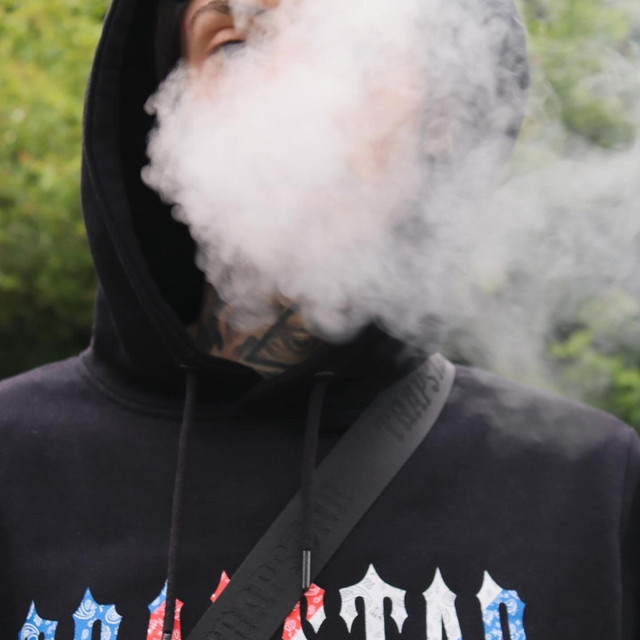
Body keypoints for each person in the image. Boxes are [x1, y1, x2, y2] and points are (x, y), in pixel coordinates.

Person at [2, 0, 639, 638]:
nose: (286, 99)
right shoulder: (14, 459)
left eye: (353, 48)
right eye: (233, 46)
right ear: (164, 104)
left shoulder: (591, 487)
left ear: (443, 115)